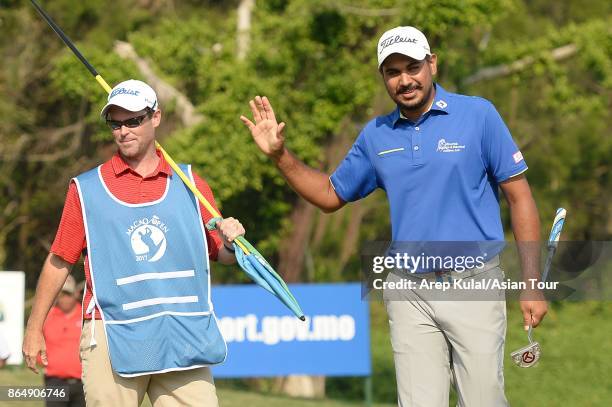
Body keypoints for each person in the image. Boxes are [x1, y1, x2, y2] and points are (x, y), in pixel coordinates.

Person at [241, 26, 547, 406]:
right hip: (407, 289)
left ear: (432, 64)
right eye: (392, 71)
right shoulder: (376, 135)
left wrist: (532, 282)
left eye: (412, 67)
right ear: (383, 77)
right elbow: (330, 195)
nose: (405, 80)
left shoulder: (478, 115)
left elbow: (521, 198)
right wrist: (279, 157)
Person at [23, 79, 245, 407]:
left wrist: (233, 242)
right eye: (115, 123)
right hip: (112, 333)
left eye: (133, 120)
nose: (123, 131)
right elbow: (60, 260)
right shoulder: (86, 190)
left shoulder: (190, 184)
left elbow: (220, 254)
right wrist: (34, 327)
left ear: (155, 118)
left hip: (181, 334)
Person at [40, 275, 85, 406]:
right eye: (61, 294)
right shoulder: (47, 316)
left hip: (83, 382)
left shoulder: (85, 315)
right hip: (54, 382)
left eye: (68, 294)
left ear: (76, 294)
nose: (64, 299)